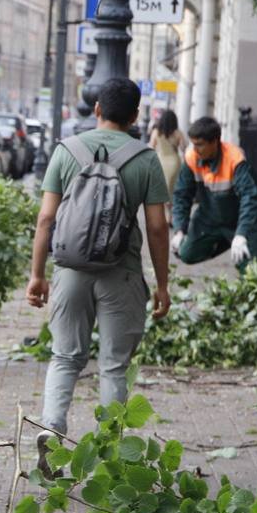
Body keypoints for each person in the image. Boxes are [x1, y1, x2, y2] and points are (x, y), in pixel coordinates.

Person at [26, 78, 171, 468]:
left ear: (97, 110)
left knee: (65, 356)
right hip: (120, 275)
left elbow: (45, 219)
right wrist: (162, 284)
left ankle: (52, 428)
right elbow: (158, 228)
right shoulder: (145, 158)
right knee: (112, 365)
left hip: (70, 271)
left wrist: (37, 274)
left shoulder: (66, 151)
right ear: (136, 116)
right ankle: (110, 454)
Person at [171, 116, 257, 270]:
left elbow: (250, 198)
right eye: (193, 144)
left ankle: (236, 242)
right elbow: (181, 195)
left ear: (214, 142)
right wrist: (179, 230)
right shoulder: (192, 158)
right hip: (212, 217)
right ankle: (226, 239)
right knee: (186, 253)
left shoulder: (234, 159)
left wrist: (241, 234)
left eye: (200, 145)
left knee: (252, 272)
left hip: (250, 220)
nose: (195, 150)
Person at [148, 108, 186, 212]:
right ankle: (170, 217)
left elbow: (151, 148)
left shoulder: (156, 132)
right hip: (174, 162)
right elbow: (184, 148)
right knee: (172, 189)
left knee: (162, 189)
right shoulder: (178, 133)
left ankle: (162, 215)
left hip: (161, 162)